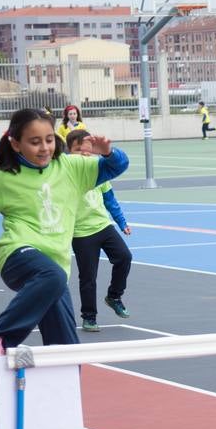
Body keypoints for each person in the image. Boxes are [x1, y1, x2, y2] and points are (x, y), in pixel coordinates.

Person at [0, 108, 129, 366]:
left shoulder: (72, 167)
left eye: (48, 139)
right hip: (18, 255)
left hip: (55, 269)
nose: (44, 148)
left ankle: (62, 400)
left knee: (67, 354)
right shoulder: (4, 178)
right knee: (52, 275)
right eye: (34, 142)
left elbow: (117, 166)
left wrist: (109, 151)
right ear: (15, 143)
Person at [66, 129, 132, 333]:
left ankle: (114, 296)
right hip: (81, 233)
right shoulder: (66, 173)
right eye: (78, 150)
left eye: (87, 150)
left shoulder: (96, 170)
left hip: (103, 225)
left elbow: (110, 199)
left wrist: (121, 222)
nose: (84, 154)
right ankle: (89, 316)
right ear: (69, 151)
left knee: (124, 257)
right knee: (88, 277)